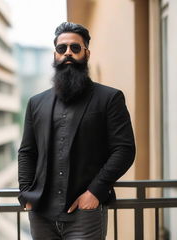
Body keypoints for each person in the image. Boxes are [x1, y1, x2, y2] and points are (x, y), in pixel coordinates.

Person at [18, 22, 135, 240]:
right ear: (55, 55)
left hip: (85, 213)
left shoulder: (109, 98)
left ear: (86, 53)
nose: (68, 53)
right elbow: (27, 151)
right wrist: (26, 193)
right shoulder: (36, 103)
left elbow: (124, 149)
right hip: (41, 213)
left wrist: (95, 192)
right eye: (62, 49)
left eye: (75, 47)